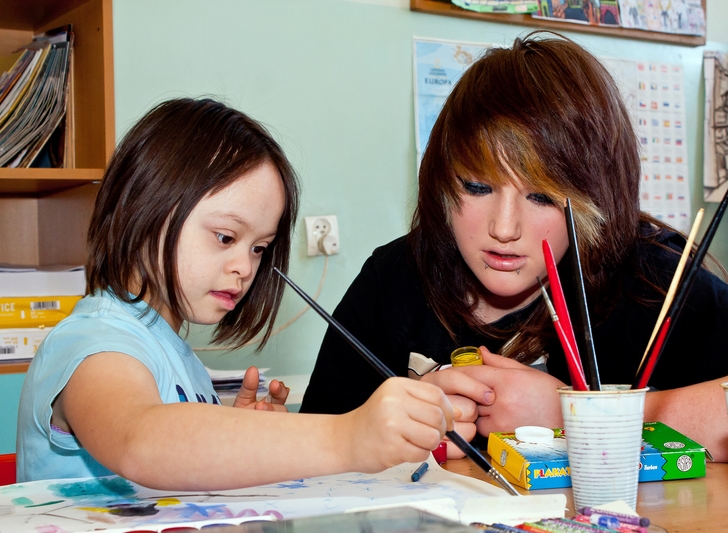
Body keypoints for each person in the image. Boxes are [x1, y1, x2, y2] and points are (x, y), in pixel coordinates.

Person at [300, 33, 728, 462]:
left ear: (597, 199)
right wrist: (396, 428)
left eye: (541, 196)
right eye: (477, 187)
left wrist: (574, 414)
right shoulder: (395, 279)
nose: (503, 228)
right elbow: (317, 444)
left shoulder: (647, 277)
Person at [16, 98, 454, 490]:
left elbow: (177, 463)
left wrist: (240, 441)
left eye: (259, 248)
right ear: (142, 208)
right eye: (225, 237)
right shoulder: (92, 342)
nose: (245, 267)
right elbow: (140, 441)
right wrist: (347, 437)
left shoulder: (172, 353)